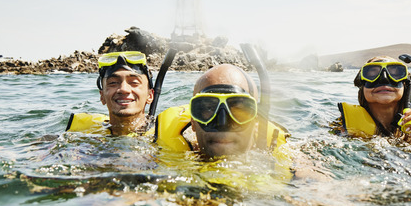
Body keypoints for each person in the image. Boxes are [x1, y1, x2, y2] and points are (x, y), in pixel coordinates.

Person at [154, 64, 288, 158]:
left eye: (238, 109)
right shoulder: (157, 156)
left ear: (256, 121)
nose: (222, 123)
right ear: (193, 121)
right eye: (208, 109)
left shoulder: (289, 160)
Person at [336, 56, 411, 146]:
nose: (384, 79)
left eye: (395, 73)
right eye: (372, 73)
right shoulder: (342, 126)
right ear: (362, 86)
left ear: (405, 84)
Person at [65, 51, 154, 136]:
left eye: (134, 82)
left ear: (150, 95)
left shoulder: (162, 133)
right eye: (113, 83)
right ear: (102, 96)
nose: (123, 89)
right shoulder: (82, 136)